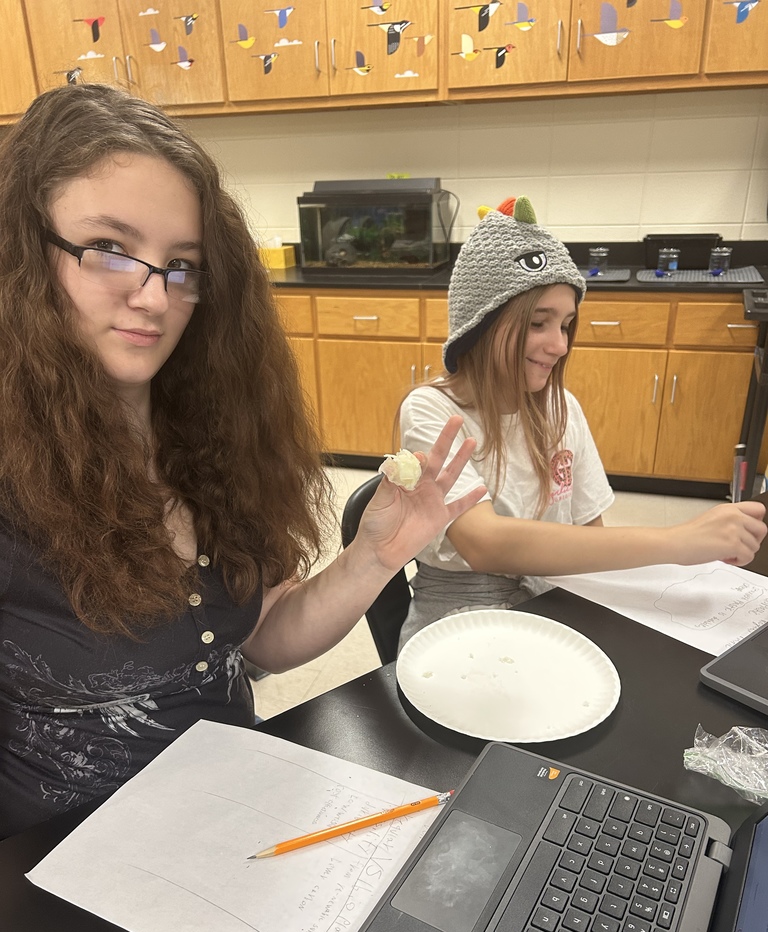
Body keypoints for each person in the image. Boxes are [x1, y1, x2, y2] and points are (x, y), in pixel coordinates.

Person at [0, 84, 485, 840]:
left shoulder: (212, 435)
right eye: (110, 250)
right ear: (26, 256)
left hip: (235, 817)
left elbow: (263, 639)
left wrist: (374, 556)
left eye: (181, 265)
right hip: (62, 874)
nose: (154, 298)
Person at [398, 196, 767, 649]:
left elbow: (590, 537)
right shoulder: (431, 410)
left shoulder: (561, 408)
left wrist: (684, 564)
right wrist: (679, 541)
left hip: (555, 594)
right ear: (481, 327)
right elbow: (485, 542)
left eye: (567, 325)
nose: (559, 345)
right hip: (459, 614)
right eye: (538, 323)